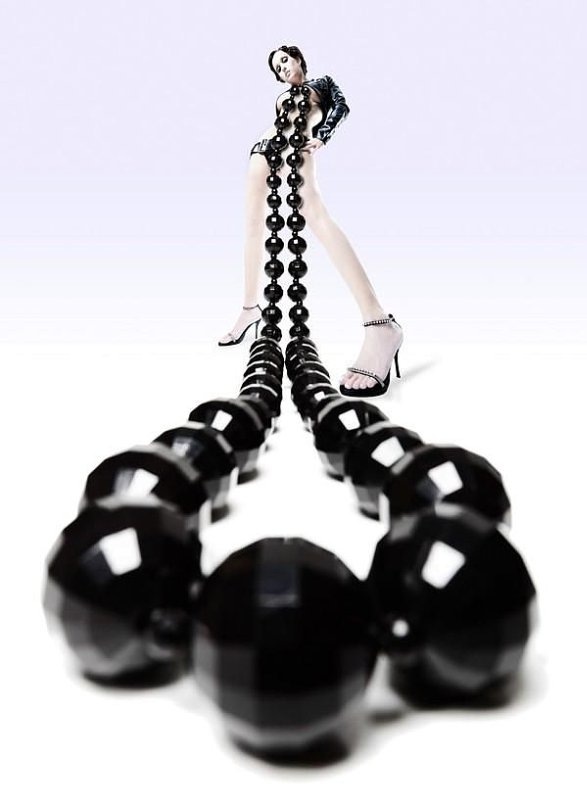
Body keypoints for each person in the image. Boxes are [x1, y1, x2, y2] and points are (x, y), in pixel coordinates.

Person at [218, 44, 403, 397]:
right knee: (253, 229)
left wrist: (323, 136)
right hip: (263, 153)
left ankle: (378, 321)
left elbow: (342, 107)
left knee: (318, 218)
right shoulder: (283, 99)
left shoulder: (322, 85)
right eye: (277, 68)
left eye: (285, 60)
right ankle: (249, 309)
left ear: (299, 58)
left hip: (297, 151)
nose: (283, 68)